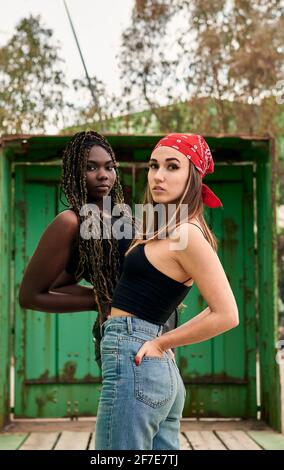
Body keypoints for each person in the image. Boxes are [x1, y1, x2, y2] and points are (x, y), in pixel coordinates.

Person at [95, 133, 239, 450]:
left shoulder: (187, 233)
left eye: (173, 166)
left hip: (137, 360)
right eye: (154, 165)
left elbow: (227, 314)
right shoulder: (165, 227)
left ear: (192, 176)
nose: (159, 175)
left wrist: (162, 341)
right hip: (148, 362)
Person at [18, 130, 178, 371]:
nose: (103, 175)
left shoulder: (123, 215)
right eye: (91, 168)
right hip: (126, 338)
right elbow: (30, 295)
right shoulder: (71, 221)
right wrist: (99, 300)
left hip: (162, 332)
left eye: (109, 167)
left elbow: (66, 281)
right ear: (74, 173)